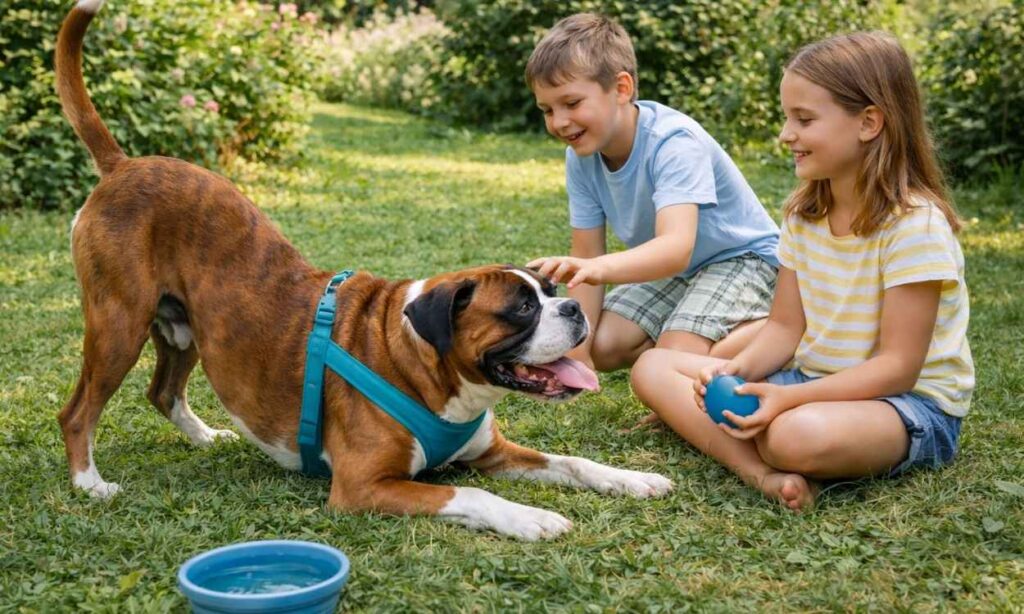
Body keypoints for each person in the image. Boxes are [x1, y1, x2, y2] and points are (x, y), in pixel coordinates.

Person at [631, 31, 974, 511]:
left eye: (804, 119)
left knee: (791, 436)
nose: (786, 134)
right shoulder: (803, 214)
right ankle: (762, 475)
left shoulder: (916, 226)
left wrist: (786, 400)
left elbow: (898, 367)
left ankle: (755, 441)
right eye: (787, 117)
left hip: (906, 405)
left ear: (869, 122)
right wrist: (734, 374)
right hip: (809, 381)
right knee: (653, 366)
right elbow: (784, 327)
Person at [524, 13, 780, 384]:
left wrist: (599, 268)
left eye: (572, 103)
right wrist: (578, 355)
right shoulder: (580, 154)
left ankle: (782, 330)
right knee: (604, 343)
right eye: (548, 110)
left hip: (743, 260)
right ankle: (697, 339)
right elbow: (586, 255)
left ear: (622, 88)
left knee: (670, 361)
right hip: (681, 270)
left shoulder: (673, 142)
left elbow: (674, 247)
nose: (560, 122)